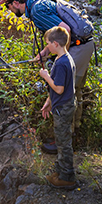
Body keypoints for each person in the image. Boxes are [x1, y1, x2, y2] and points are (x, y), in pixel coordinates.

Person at [0, 0, 95, 152]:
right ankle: (74, 135)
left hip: (77, 49)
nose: (9, 10)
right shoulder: (39, 3)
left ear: (15, 3)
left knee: (62, 92)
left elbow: (65, 30)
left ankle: (63, 142)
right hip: (86, 45)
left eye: (7, 6)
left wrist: (61, 59)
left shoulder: (36, 12)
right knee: (74, 90)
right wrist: (44, 53)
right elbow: (60, 33)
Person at [38, 26, 77, 189]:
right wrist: (49, 101)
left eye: (48, 44)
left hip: (63, 108)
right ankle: (62, 170)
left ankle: (67, 177)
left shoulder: (61, 64)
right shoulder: (66, 58)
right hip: (64, 104)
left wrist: (46, 77)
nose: (47, 47)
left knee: (63, 142)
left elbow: (59, 88)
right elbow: (63, 88)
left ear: (55, 44)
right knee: (62, 139)